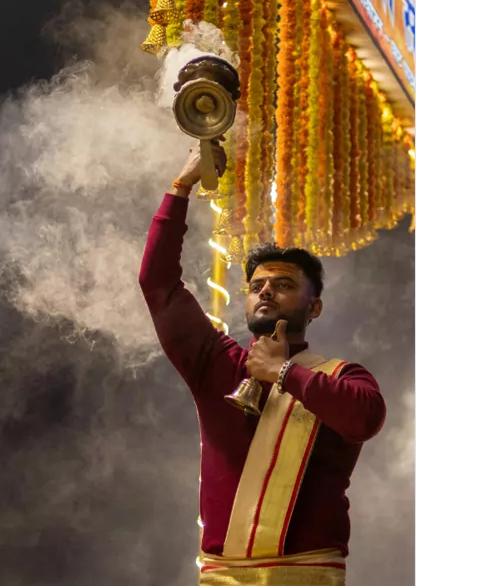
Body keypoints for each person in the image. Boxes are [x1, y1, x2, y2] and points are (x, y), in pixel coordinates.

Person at [138, 142, 387, 586]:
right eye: (256, 286)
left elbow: (365, 419)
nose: (266, 291)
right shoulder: (217, 363)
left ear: (315, 307)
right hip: (221, 576)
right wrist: (181, 186)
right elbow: (158, 284)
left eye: (284, 284)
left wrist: (284, 373)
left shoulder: (342, 377)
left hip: (307, 574)